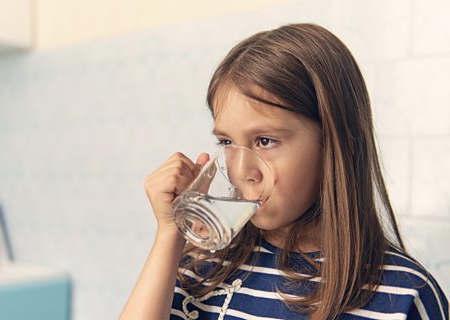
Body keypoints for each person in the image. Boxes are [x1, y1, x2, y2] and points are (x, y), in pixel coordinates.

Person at [119, 23, 449, 319]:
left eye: (265, 141)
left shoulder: (404, 296)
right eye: (227, 142)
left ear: (338, 145)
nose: (243, 170)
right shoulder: (202, 268)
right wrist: (169, 234)